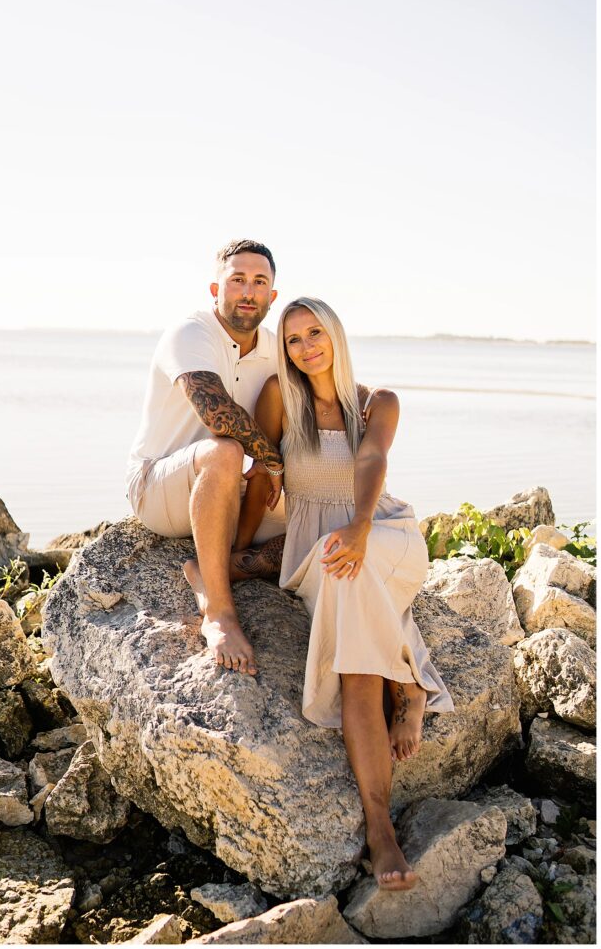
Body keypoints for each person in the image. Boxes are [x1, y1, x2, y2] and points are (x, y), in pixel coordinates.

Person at [187, 296, 454, 891]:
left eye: (315, 333)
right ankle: (407, 684)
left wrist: (360, 525)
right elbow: (264, 473)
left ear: (335, 334)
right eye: (293, 340)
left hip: (382, 533)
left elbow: (373, 456)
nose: (306, 347)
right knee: (333, 576)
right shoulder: (280, 398)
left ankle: (381, 829)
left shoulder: (377, 401)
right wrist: (235, 554)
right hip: (318, 549)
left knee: (352, 620)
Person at [125, 239, 286, 678]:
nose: (248, 292)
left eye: (259, 282)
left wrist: (368, 405)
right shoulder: (191, 333)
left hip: (227, 492)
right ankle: (218, 613)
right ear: (216, 289)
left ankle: (217, 568)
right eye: (237, 280)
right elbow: (215, 412)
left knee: (319, 526)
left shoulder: (275, 350)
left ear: (272, 295)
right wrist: (272, 462)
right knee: (226, 450)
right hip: (159, 487)